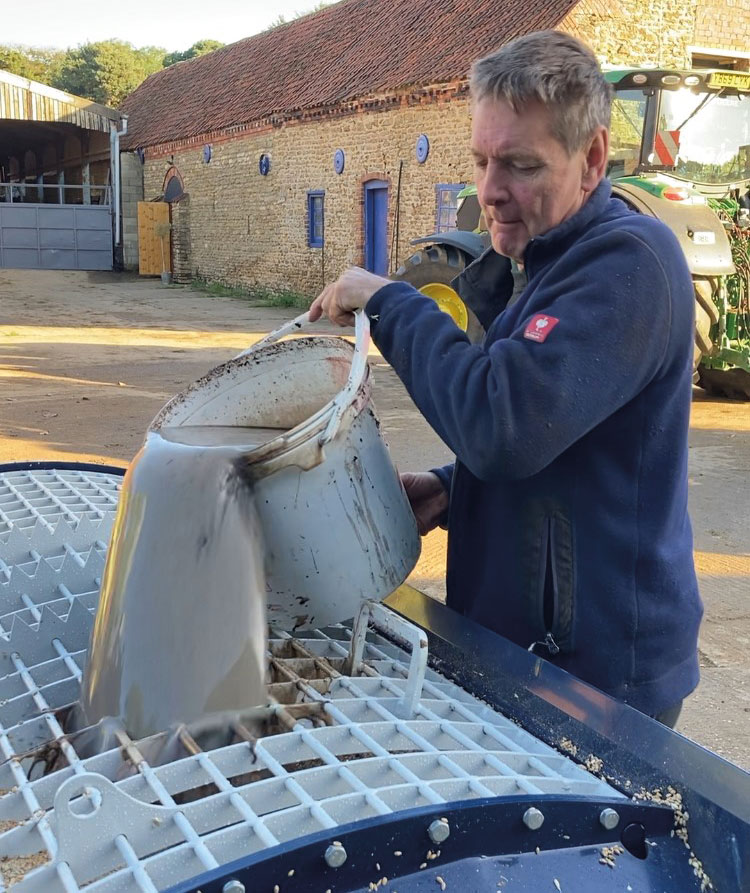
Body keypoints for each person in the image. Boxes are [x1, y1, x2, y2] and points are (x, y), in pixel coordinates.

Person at [309, 30, 702, 727]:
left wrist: (387, 297)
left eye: (519, 165)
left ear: (593, 158)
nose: (490, 191)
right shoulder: (544, 262)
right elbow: (566, 436)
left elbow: (502, 424)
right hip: (527, 651)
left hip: (598, 680)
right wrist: (454, 487)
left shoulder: (629, 265)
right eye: (482, 160)